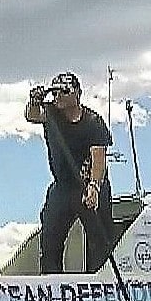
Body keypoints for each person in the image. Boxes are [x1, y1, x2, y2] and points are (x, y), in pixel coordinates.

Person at [25, 71, 114, 274]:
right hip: (63, 186)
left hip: (88, 184)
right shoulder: (51, 113)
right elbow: (32, 115)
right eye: (54, 93)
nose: (57, 97)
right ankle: (51, 278)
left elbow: (99, 158)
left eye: (63, 92)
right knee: (51, 234)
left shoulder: (93, 122)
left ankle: (101, 276)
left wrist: (94, 186)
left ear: (76, 94)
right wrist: (34, 100)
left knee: (100, 238)